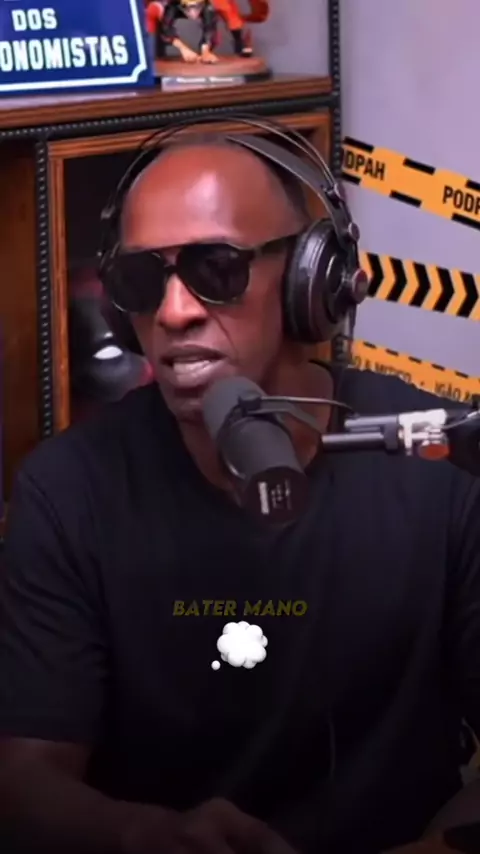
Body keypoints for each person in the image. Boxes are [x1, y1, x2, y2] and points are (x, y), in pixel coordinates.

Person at [0, 126, 479, 854]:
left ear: (313, 279)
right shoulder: (68, 491)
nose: (174, 312)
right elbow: (24, 781)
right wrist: (146, 835)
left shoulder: (440, 462)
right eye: (141, 280)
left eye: (216, 267)